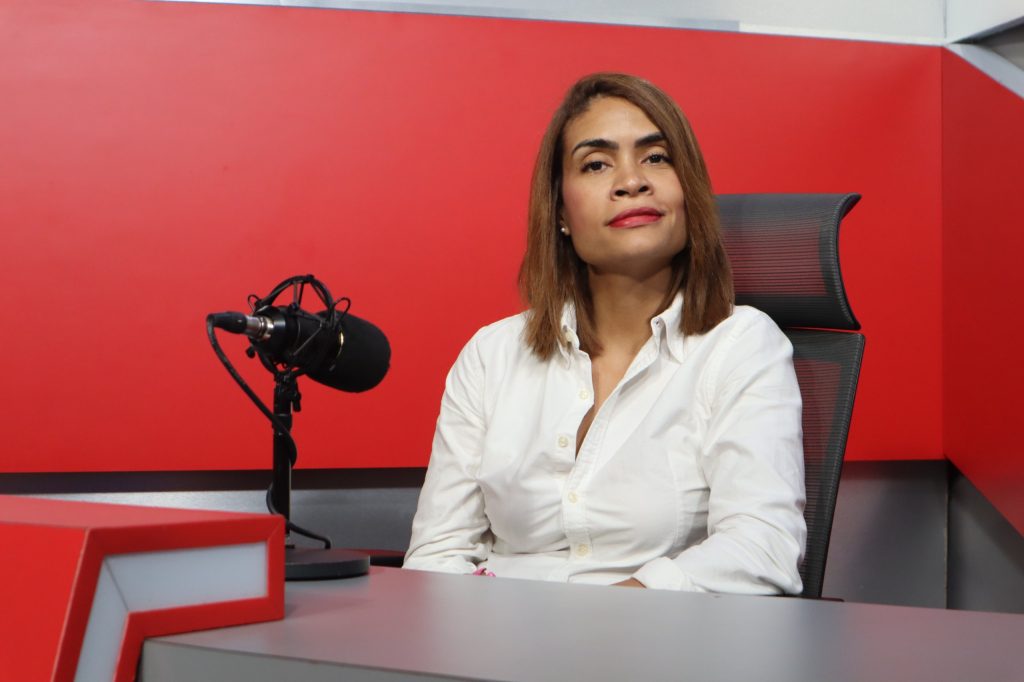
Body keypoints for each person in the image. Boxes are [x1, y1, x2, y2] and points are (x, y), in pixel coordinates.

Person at [404, 73, 806, 594]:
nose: (631, 181)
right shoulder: (491, 355)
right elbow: (438, 552)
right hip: (495, 634)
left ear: (688, 190)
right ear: (561, 211)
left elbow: (761, 546)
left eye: (656, 157)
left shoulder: (741, 344)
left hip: (660, 636)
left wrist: (589, 625)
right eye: (596, 164)